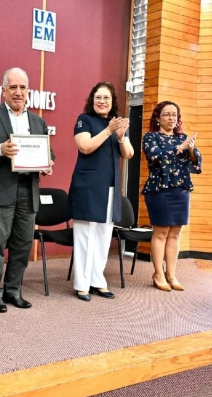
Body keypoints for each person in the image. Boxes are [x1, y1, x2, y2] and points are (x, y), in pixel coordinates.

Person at [0, 67, 55, 313]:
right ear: (3, 90)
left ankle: (13, 290)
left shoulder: (38, 121)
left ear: (28, 91)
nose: (18, 92)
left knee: (22, 244)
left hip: (28, 190)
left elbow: (47, 151)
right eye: (13, 87)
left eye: (23, 88)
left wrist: (48, 162)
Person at [67, 82, 134, 301]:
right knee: (85, 236)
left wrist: (122, 136)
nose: (102, 101)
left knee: (104, 237)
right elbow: (85, 146)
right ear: (92, 100)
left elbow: (129, 154)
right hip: (88, 188)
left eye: (106, 98)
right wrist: (108, 131)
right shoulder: (84, 120)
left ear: (112, 101)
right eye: (98, 97)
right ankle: (82, 284)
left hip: (110, 188)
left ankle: (97, 281)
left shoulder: (116, 125)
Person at [142, 101, 202, 292]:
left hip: (181, 190)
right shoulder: (151, 137)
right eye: (167, 114)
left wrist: (190, 149)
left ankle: (171, 274)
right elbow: (157, 159)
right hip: (160, 190)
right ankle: (158, 273)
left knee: (175, 233)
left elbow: (196, 164)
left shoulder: (183, 138)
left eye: (174, 115)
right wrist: (180, 148)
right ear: (158, 118)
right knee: (161, 232)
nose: (171, 118)